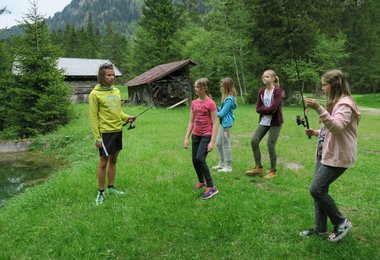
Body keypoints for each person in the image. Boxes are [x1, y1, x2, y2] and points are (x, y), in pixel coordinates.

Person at [300, 69, 360, 242]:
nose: (322, 88)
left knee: (316, 189)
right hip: (325, 153)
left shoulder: (345, 104)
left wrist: (318, 108)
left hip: (338, 156)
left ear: (334, 86)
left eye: (324, 84)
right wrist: (317, 132)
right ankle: (320, 230)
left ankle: (342, 222)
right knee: (320, 190)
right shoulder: (336, 103)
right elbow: (330, 129)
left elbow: (338, 127)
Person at [89, 63, 135, 205]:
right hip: (105, 133)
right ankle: (101, 192)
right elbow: (93, 118)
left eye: (113, 75)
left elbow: (118, 111)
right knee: (103, 162)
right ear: (101, 77)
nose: (112, 77)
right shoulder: (94, 94)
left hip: (117, 130)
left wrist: (127, 117)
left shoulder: (116, 91)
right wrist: (97, 138)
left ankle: (111, 187)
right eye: (109, 75)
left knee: (114, 160)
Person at [184, 78, 219, 200]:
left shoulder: (211, 103)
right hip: (196, 135)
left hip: (206, 134)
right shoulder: (194, 103)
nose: (195, 89)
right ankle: (201, 181)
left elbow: (215, 122)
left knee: (200, 158)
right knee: (194, 160)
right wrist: (186, 138)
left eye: (197, 87)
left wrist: (212, 141)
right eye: (195, 87)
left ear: (204, 88)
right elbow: (191, 121)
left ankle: (211, 187)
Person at [245, 69, 283, 178]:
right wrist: (266, 109)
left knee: (270, 145)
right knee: (254, 141)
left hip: (275, 122)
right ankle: (258, 168)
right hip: (264, 121)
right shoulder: (261, 91)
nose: (264, 78)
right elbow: (258, 108)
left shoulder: (278, 91)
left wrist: (264, 109)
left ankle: (273, 171)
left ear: (273, 78)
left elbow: (274, 108)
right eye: (263, 76)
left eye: (267, 76)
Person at [212, 78, 238, 173]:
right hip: (223, 124)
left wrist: (212, 112)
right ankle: (222, 163)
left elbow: (222, 114)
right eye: (221, 86)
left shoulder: (229, 99)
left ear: (227, 87)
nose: (221, 88)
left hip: (226, 125)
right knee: (218, 144)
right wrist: (215, 107)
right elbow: (222, 110)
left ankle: (228, 166)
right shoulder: (226, 98)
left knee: (226, 144)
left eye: (223, 86)